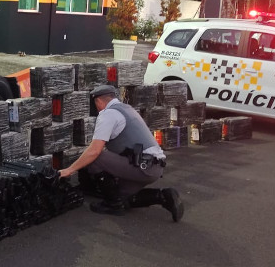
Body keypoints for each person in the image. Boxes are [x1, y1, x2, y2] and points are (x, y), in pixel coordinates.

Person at [58, 84, 183, 221]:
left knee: (96, 158)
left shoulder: (108, 114)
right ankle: (165, 196)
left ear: (98, 101)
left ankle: (112, 205)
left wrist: (69, 170)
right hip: (154, 166)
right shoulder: (128, 109)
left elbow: (94, 151)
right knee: (122, 197)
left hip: (143, 166)